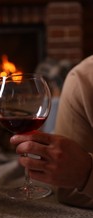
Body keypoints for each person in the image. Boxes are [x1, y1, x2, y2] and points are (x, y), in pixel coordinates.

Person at [10, 55, 93, 209]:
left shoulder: (82, 78)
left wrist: (87, 174)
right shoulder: (83, 78)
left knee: (50, 126)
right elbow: (67, 185)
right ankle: (56, 91)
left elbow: (70, 187)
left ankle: (56, 92)